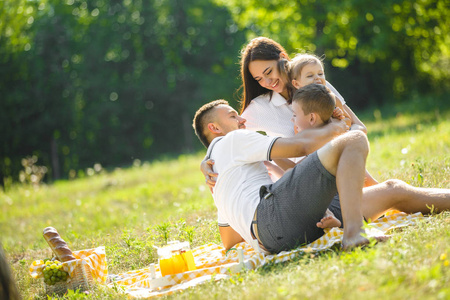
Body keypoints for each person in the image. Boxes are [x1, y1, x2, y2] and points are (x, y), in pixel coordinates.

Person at [193, 100, 450, 254]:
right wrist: (335, 128)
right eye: (233, 115)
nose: (242, 118)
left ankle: (346, 225)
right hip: (276, 218)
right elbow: (300, 146)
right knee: (355, 139)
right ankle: (354, 233)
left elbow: (229, 240)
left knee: (394, 190)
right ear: (214, 128)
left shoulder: (217, 176)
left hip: (277, 234)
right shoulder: (233, 140)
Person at [201, 37, 376, 188]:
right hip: (302, 179)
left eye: (268, 72)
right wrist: (207, 160)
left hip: (342, 166)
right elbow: (229, 136)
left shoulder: (314, 82)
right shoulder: (259, 108)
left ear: (283, 59)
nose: (267, 82)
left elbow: (359, 127)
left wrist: (339, 133)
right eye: (259, 79)